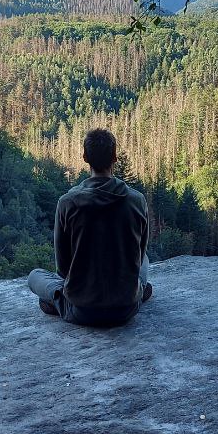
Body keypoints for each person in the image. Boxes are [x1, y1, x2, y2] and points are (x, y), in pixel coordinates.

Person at [28, 128, 152, 327]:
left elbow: (63, 268)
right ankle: (137, 291)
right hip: (126, 308)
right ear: (115, 157)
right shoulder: (137, 201)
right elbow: (139, 255)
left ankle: (58, 300)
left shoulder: (67, 202)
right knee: (144, 259)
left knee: (35, 276)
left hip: (82, 309)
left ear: (85, 157)